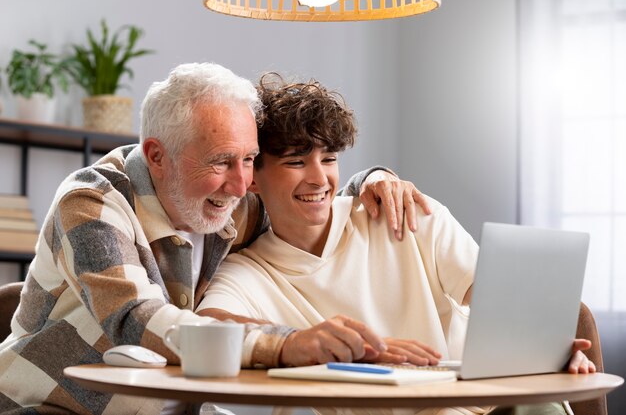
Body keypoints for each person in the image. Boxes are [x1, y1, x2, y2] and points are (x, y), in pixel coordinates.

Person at [0, 63, 429, 415]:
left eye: (249, 159)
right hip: (53, 406)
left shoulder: (231, 202)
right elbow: (136, 321)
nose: (241, 184)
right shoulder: (91, 204)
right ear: (156, 156)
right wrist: (287, 343)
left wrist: (373, 179)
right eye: (222, 162)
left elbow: (305, 198)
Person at [199, 74, 596, 415]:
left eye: (330, 158)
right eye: (296, 162)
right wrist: (325, 345)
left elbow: (499, 302)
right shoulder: (249, 271)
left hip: (488, 404)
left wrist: (546, 352)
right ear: (252, 177)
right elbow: (205, 329)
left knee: (540, 404)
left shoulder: (403, 213)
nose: (320, 179)